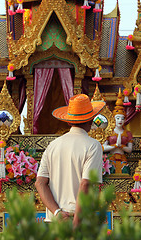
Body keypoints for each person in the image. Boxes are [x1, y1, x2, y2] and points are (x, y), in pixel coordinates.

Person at [35, 94, 105, 227]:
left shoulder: (53, 145)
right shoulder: (92, 145)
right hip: (78, 220)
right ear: (91, 120)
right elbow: (85, 184)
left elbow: (40, 183)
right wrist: (76, 224)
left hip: (56, 219)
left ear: (68, 121)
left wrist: (57, 212)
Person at [102, 89, 133, 174]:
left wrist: (122, 146)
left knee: (125, 172)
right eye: (118, 118)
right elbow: (103, 147)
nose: (120, 120)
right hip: (111, 158)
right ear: (113, 119)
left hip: (123, 158)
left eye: (122, 118)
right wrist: (115, 146)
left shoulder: (127, 133)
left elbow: (130, 149)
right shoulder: (109, 131)